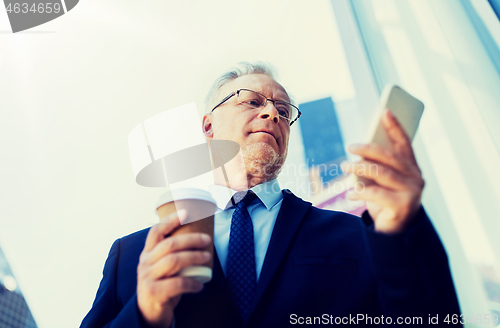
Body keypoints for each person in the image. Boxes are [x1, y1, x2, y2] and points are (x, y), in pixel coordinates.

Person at [80, 62, 462, 328]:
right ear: (208, 126)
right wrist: (143, 315)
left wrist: (403, 234)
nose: (273, 114)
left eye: (283, 109)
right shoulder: (130, 257)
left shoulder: (357, 235)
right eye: (252, 101)